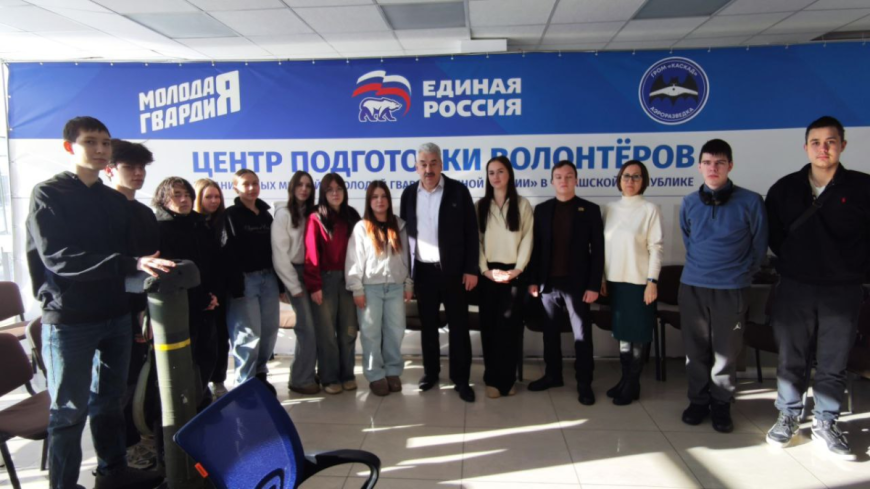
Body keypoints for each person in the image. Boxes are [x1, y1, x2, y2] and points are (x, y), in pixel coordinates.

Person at [26, 116, 172, 489]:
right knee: (68, 412)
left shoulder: (113, 201)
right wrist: (130, 263)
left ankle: (113, 472)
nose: (100, 149)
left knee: (109, 402)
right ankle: (64, 485)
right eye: (90, 142)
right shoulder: (48, 194)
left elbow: (134, 255)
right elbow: (59, 258)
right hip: (70, 318)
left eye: (105, 143)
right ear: (69, 147)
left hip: (115, 314)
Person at [764, 116, 870, 459]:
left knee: (833, 360)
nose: (823, 148)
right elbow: (774, 235)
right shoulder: (785, 188)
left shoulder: (862, 187)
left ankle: (826, 422)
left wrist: (853, 268)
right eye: (816, 142)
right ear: (805, 147)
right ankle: (788, 416)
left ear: (842, 145)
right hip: (796, 287)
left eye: (830, 141)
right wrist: (797, 261)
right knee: (791, 357)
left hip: (843, 289)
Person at [679, 139, 768, 433]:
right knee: (695, 351)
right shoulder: (689, 202)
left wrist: (739, 274)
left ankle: (721, 403)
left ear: (730, 165)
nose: (713, 168)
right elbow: (689, 239)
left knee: (726, 352)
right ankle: (698, 401)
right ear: (699, 167)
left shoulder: (751, 201)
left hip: (732, 289)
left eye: (719, 163)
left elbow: (759, 246)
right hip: (693, 286)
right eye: (707, 162)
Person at [399, 143, 479, 403]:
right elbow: (404, 238)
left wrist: (471, 269)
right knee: (429, 326)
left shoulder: (458, 191)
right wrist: (407, 277)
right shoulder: (408, 195)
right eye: (423, 164)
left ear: (441, 165)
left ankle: (461, 379)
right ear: (416, 167)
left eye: (433, 163)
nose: (428, 169)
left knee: (459, 327)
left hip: (454, 273)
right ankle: (430, 373)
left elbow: (471, 233)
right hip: (423, 272)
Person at [527, 160, 604, 406]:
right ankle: (553, 375)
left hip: (578, 285)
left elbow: (598, 251)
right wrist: (533, 280)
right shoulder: (541, 210)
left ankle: (584, 382)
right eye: (559, 177)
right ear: (552, 181)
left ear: (576, 180)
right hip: (548, 284)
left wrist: (593, 285)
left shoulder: (590, 210)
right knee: (550, 333)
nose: (564, 181)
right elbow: (536, 249)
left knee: (582, 334)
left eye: (569, 176)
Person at [104, 139, 160, 469]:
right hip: (109, 309)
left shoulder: (144, 212)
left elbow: (153, 261)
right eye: (130, 167)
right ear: (110, 169)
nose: (138, 173)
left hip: (143, 306)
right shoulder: (100, 210)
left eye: (141, 168)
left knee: (141, 376)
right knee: (119, 385)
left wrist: (146, 308)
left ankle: (141, 437)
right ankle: (122, 451)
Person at [152, 177, 221, 407]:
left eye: (187, 195)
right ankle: (183, 406)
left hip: (206, 302)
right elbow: (165, 272)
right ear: (163, 199)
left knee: (207, 353)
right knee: (181, 359)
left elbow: (212, 262)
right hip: (176, 306)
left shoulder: (200, 224)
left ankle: (201, 398)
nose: (184, 200)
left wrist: (213, 294)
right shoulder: (158, 228)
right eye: (177, 195)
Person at [601, 160, 663, 406]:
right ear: (619, 179)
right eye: (626, 176)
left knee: (638, 334)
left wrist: (652, 281)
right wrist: (601, 277)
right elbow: (602, 248)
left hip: (639, 284)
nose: (630, 181)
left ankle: (633, 383)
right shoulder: (609, 208)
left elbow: (656, 248)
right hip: (615, 282)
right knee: (623, 334)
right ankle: (626, 381)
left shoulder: (650, 209)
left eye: (636, 176)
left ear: (643, 181)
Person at [346, 181, 413, 396]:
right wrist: (357, 288)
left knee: (395, 331)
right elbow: (354, 259)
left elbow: (407, 257)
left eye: (383, 196)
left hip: (395, 287)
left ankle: (392, 371)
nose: (379, 200)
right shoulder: (361, 227)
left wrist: (408, 283)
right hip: (370, 288)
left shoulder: (399, 225)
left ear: (389, 200)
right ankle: (375, 374)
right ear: (369, 201)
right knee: (370, 333)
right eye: (375, 197)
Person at [475, 156, 533, 399]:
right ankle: (492, 378)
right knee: (489, 327)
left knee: (509, 330)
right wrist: (485, 270)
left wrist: (517, 270)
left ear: (509, 174)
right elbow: (476, 242)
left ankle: (507, 380)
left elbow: (528, 239)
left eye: (500, 171)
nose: (496, 177)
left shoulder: (523, 205)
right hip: (489, 275)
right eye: (491, 173)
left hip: (514, 274)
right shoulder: (480, 206)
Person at [224, 169, 281, 395]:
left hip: (269, 278)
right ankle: (244, 384)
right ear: (235, 188)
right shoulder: (230, 215)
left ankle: (260, 375)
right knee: (248, 335)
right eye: (246, 184)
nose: (251, 188)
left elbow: (276, 251)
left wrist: (281, 285)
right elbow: (228, 252)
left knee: (269, 331)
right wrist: (235, 285)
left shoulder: (266, 215)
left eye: (255, 183)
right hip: (245, 281)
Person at [304, 173, 360, 394]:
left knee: (348, 330)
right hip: (325, 280)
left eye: (339, 189)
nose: (335, 193)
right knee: (327, 333)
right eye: (330, 190)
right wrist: (314, 285)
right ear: (323, 193)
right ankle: (329, 377)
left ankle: (347, 374)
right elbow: (311, 254)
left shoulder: (352, 216)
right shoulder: (315, 218)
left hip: (349, 279)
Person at [271, 171, 321, 395]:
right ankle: (300, 379)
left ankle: (307, 371)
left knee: (315, 328)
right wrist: (293, 285)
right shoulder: (283, 215)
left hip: (312, 272)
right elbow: (279, 255)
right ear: (292, 187)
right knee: (306, 329)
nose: (304, 189)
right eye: (300, 185)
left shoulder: (312, 213)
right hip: (294, 274)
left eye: (308, 186)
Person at [194, 178, 230, 398]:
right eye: (208, 197)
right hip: (200, 292)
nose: (214, 201)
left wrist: (219, 291)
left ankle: (219, 381)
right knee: (203, 341)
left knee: (221, 338)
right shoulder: (193, 225)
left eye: (217, 196)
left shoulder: (224, 222)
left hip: (222, 290)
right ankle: (201, 385)